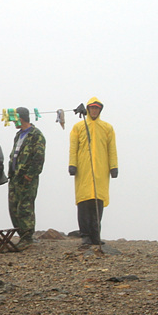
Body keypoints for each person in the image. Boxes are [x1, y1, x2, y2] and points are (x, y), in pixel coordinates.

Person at [68, 98, 118, 248]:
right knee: (84, 202)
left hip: (101, 171)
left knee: (98, 202)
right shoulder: (79, 127)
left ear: (100, 110)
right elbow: (73, 147)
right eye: (92, 108)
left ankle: (96, 235)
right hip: (83, 171)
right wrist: (72, 164)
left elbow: (112, 149)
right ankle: (85, 235)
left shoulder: (107, 128)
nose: (94, 110)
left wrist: (113, 167)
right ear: (88, 109)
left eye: (97, 108)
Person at [7, 107, 46, 250]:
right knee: (13, 208)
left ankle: (27, 237)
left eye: (14, 119)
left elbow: (39, 157)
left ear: (21, 118)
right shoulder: (18, 135)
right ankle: (21, 234)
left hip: (27, 178)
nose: (12, 122)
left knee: (25, 207)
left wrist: (30, 175)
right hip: (14, 177)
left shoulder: (36, 135)